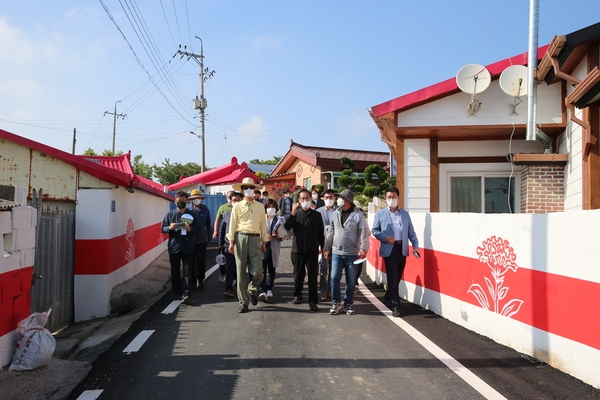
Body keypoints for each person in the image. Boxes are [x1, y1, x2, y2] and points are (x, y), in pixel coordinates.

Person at [371, 186, 420, 318]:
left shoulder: (405, 214)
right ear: (385, 199)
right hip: (388, 249)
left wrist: (415, 246)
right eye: (389, 197)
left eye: (394, 197)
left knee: (397, 277)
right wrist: (384, 237)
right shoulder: (380, 214)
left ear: (398, 198)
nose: (391, 199)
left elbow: (411, 232)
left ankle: (388, 296)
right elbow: (374, 231)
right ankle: (396, 306)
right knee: (392, 277)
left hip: (402, 248)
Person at [323, 189, 370, 315]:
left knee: (350, 280)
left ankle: (348, 304)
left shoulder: (358, 215)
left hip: (352, 253)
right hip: (337, 252)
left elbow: (363, 233)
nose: (339, 200)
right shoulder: (335, 213)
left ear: (348, 200)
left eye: (342, 198)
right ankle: (336, 302)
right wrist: (327, 247)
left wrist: (364, 248)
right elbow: (330, 232)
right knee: (334, 277)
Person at [227, 177, 269, 313]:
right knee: (240, 272)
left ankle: (252, 290)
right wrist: (231, 242)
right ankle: (243, 302)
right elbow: (232, 224)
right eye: (246, 188)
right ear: (242, 190)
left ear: (254, 189)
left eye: (251, 188)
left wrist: (264, 241)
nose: (249, 190)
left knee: (258, 272)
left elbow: (263, 224)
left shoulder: (260, 206)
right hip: (241, 237)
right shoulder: (237, 206)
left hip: (256, 238)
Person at [284, 188, 324, 311]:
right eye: (302, 198)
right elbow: (287, 226)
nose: (305, 200)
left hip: (312, 251)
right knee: (298, 275)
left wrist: (322, 247)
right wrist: (292, 212)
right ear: (299, 200)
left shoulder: (317, 215)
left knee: (312, 276)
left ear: (311, 199)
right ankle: (297, 295)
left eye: (307, 198)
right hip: (297, 250)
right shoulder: (296, 214)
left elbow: (321, 233)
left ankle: (312, 301)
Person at [161, 190, 199, 304]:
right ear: (175, 201)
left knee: (188, 271)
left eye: (183, 201)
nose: (181, 203)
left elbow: (198, 229)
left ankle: (187, 294)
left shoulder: (193, 215)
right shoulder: (170, 214)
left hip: (188, 247)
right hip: (174, 246)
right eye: (179, 201)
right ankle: (176, 293)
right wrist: (170, 228)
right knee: (175, 271)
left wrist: (190, 229)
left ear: (187, 201)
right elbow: (163, 229)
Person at [258, 199, 284, 302]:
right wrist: (264, 236)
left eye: (273, 208)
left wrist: (277, 236)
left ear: (276, 209)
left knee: (272, 268)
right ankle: (262, 289)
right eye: (268, 207)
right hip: (263, 246)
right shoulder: (261, 219)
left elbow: (283, 235)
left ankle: (269, 288)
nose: (270, 210)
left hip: (274, 245)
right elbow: (257, 231)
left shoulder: (280, 220)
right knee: (262, 269)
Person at [186, 189, 212, 289]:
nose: (196, 200)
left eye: (198, 198)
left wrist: (208, 239)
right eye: (194, 198)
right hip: (191, 237)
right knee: (191, 260)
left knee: (201, 260)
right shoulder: (188, 209)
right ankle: (192, 281)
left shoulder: (205, 209)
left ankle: (201, 280)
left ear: (200, 199)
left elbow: (208, 224)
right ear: (191, 200)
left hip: (202, 237)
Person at [219, 191, 242, 298]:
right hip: (229, 245)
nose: (236, 202)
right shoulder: (226, 214)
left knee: (240, 267)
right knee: (230, 267)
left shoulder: (246, 215)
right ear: (230, 202)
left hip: (243, 245)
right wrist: (220, 244)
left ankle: (241, 288)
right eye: (234, 200)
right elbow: (222, 230)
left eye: (238, 200)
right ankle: (228, 288)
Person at [316, 189, 337, 301]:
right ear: (323, 199)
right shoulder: (318, 211)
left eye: (331, 197)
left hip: (336, 244)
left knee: (334, 269)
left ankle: (330, 290)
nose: (329, 199)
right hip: (323, 244)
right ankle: (323, 291)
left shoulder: (339, 211)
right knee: (323, 268)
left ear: (335, 198)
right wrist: (319, 246)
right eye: (327, 197)